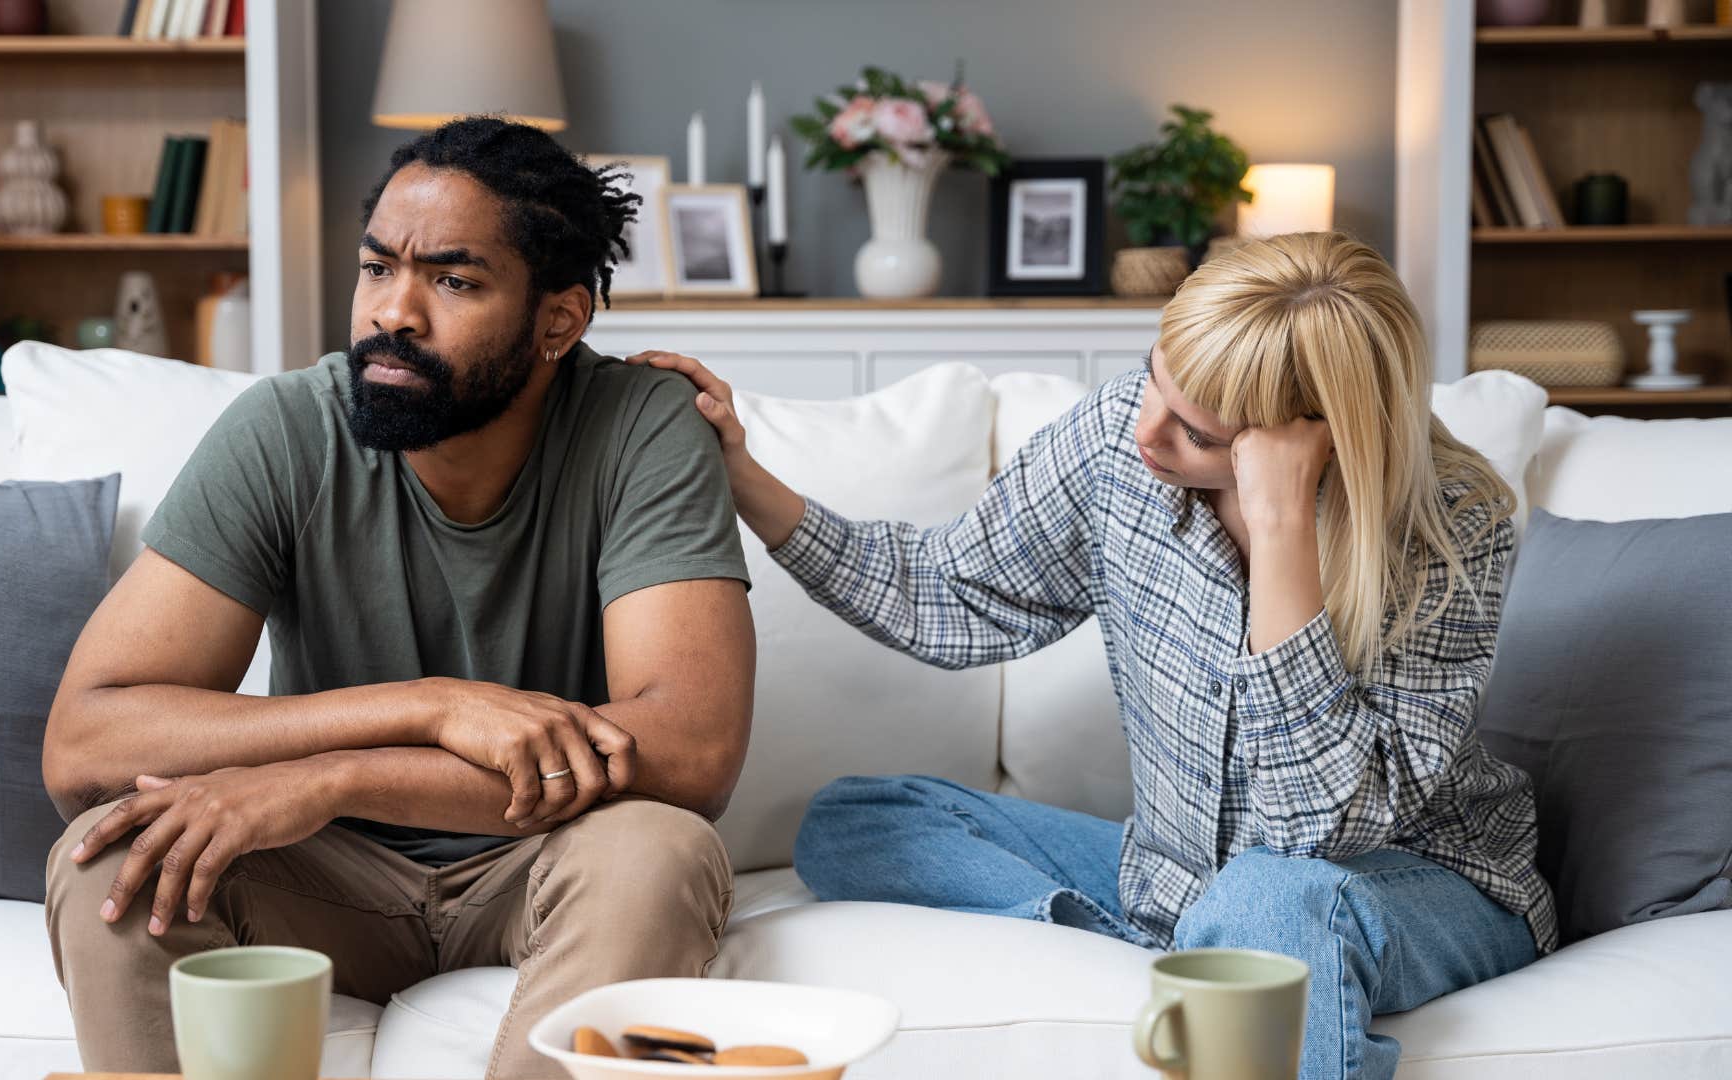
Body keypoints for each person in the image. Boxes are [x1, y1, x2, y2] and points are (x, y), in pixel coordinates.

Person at [628, 232, 1555, 1080]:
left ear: (1313, 442)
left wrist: (1279, 532)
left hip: (1418, 882)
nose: (1145, 429)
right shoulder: (1123, 438)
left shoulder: (1451, 527)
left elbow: (1313, 829)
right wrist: (743, 475)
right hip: (1176, 871)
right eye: (1153, 376)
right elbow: (945, 595)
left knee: (1272, 899)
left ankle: (1223, 942)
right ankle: (1194, 939)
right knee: (858, 819)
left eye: (1198, 434)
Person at [41, 118, 755, 1080]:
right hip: (318, 872)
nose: (393, 313)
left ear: (559, 320)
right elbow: (87, 742)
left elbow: (693, 751)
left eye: (453, 282)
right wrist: (432, 707)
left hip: (537, 859)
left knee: (656, 847)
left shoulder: (644, 426)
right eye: (377, 269)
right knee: (108, 850)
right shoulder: (288, 429)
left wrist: (341, 776)